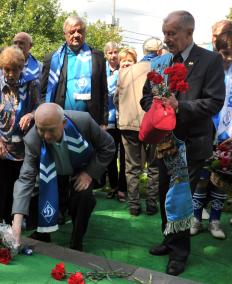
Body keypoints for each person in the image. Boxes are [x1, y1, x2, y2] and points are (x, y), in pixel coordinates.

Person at [140, 11, 225, 276]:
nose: (167, 38)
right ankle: (169, 239)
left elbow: (214, 101)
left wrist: (180, 107)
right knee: (165, 191)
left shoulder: (209, 60)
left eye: (172, 33)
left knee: (179, 196)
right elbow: (146, 96)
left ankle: (179, 253)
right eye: (165, 33)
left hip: (191, 142)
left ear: (189, 32)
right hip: (165, 141)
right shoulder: (161, 62)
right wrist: (156, 107)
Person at [11, 103, 115, 251]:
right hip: (51, 176)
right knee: (37, 193)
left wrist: (89, 173)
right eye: (41, 130)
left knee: (84, 197)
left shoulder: (83, 121)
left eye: (51, 130)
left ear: (63, 123)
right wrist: (16, 223)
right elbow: (26, 178)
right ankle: (44, 232)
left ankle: (76, 240)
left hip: (79, 171)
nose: (46, 136)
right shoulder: (32, 139)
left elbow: (108, 146)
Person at [191, 31, 232, 237]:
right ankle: (196, 218)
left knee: (222, 180)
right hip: (203, 135)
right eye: (225, 53)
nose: (230, 58)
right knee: (201, 179)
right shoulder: (204, 71)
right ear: (216, 49)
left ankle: (215, 221)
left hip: (227, 138)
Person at [0, 46, 40, 224]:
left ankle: (21, 221)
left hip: (26, 148)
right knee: (3, 189)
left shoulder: (31, 84)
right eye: (7, 69)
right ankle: (3, 221)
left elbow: (40, 108)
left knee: (23, 188)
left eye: (15, 69)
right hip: (2, 148)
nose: (11, 74)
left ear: (22, 68)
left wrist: (32, 114)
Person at [114, 48, 159, 216]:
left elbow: (116, 98)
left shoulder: (123, 72)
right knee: (154, 165)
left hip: (129, 124)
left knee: (132, 167)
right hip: (153, 123)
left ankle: (134, 206)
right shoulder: (156, 69)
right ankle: (152, 204)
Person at [41, 15, 107, 125]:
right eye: (72, 32)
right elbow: (43, 92)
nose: (76, 35)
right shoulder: (52, 59)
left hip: (90, 121)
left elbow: (104, 92)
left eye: (80, 31)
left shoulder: (97, 57)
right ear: (65, 34)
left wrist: (104, 121)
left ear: (85, 33)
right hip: (59, 121)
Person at [103, 41, 127, 202]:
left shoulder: (126, 69)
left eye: (115, 52)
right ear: (106, 55)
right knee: (110, 156)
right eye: (110, 52)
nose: (113, 55)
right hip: (108, 120)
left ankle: (123, 188)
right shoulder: (101, 71)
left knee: (124, 157)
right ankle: (113, 186)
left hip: (124, 120)